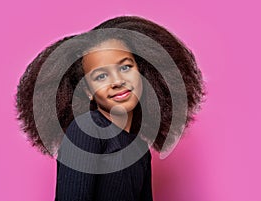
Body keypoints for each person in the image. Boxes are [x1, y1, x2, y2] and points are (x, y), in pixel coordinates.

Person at [15, 16, 206, 201]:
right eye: (101, 77)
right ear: (88, 91)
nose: (117, 81)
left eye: (125, 68)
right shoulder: (86, 130)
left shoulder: (139, 147)